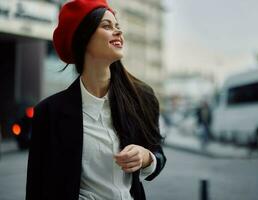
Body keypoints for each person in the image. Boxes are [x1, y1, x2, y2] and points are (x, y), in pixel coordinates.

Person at [25, 0, 166, 200]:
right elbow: (36, 189)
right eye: (107, 26)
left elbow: (158, 153)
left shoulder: (142, 98)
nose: (118, 32)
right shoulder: (48, 113)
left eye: (118, 26)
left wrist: (146, 158)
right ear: (83, 38)